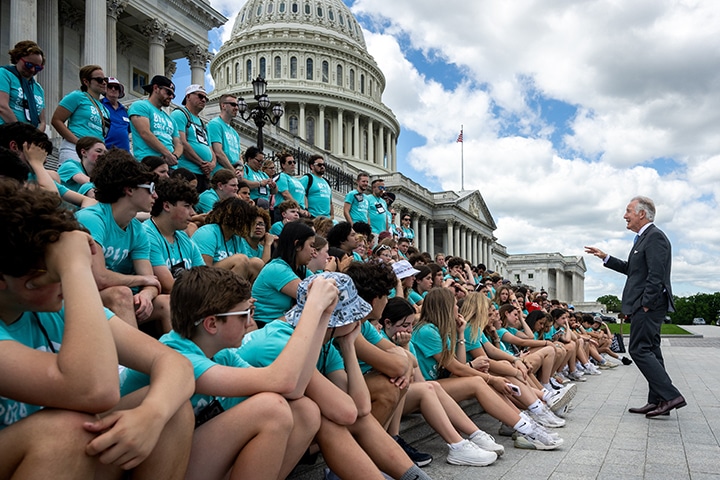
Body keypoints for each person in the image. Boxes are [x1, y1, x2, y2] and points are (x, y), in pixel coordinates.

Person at [0, 179, 194, 479]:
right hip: (32, 451)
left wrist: (152, 414)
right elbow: (98, 391)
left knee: (171, 409)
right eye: (52, 270)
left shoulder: (50, 307)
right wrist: (76, 267)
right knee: (66, 432)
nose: (65, 283)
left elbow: (175, 363)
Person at [121, 266, 335, 480]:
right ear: (212, 323)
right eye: (244, 314)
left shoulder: (221, 354)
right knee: (272, 410)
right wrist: (311, 308)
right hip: (157, 465)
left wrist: (324, 315)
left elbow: (294, 388)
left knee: (305, 411)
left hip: (186, 456)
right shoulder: (180, 357)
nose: (250, 322)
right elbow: (282, 380)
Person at [585, 196, 685, 417]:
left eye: (628, 211)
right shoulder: (643, 239)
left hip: (648, 305)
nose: (624, 216)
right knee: (651, 350)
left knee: (638, 350)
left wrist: (646, 304)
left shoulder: (655, 237)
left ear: (642, 213)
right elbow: (634, 269)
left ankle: (671, 396)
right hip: (645, 304)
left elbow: (656, 276)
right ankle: (657, 401)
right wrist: (606, 257)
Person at [76, 148, 169, 330]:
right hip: (82, 298)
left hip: (114, 300)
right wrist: (141, 282)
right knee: (121, 294)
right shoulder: (92, 219)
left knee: (167, 302)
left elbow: (152, 281)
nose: (155, 195)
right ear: (129, 190)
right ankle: (139, 357)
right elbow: (99, 278)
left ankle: (186, 356)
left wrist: (147, 295)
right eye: (150, 189)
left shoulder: (138, 229)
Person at [144, 177, 204, 296]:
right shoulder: (147, 234)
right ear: (166, 206)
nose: (192, 213)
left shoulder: (183, 236)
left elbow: (205, 277)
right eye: (187, 206)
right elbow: (169, 286)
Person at [251, 221, 315, 327]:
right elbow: (313, 297)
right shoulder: (277, 269)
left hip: (279, 326)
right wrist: (328, 271)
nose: (314, 251)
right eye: (311, 245)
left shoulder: (300, 269)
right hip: (264, 327)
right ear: (297, 245)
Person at [191, 196, 264, 281]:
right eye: (246, 220)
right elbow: (203, 272)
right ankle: (235, 294)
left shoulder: (237, 238)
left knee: (257, 263)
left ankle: (247, 293)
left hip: (224, 281)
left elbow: (247, 265)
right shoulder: (207, 233)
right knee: (240, 260)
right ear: (236, 219)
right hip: (204, 281)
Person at [51, 64, 110, 164]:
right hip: (74, 148)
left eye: (105, 80)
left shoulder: (105, 109)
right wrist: (77, 142)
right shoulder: (77, 96)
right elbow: (56, 120)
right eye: (99, 80)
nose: (104, 83)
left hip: (94, 153)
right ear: (86, 81)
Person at [128, 75, 181, 168]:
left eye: (173, 94)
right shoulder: (140, 106)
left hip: (170, 166)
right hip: (148, 164)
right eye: (168, 92)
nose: (171, 97)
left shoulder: (171, 119)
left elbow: (179, 144)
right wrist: (168, 154)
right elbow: (145, 133)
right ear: (155, 88)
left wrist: (174, 156)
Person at [172, 85, 215, 192]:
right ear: (188, 97)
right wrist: (202, 163)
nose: (204, 100)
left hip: (203, 174)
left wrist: (212, 164)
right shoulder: (180, 114)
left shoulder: (203, 124)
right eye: (200, 96)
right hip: (188, 172)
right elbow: (181, 142)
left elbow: (210, 148)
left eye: (206, 98)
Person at [0, 40, 46, 131]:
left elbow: (42, 121)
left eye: (38, 68)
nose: (32, 70)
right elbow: (2, 107)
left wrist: (35, 137)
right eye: (28, 65)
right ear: (17, 58)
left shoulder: (38, 88)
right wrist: (22, 133)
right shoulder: (4, 74)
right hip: (6, 132)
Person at [207, 93, 241, 170]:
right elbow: (218, 152)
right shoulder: (215, 124)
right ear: (223, 106)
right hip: (221, 173)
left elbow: (239, 157)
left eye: (237, 105)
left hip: (233, 176)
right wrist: (233, 171)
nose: (236, 108)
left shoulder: (235, 133)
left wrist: (240, 170)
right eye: (233, 104)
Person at [273, 152, 308, 219]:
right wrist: (298, 208)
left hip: (298, 212)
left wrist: (305, 210)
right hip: (285, 210)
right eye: (289, 162)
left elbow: (304, 196)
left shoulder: (296, 179)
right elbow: (285, 194)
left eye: (294, 162)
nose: (292, 164)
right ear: (283, 165)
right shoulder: (282, 176)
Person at [102, 77, 130, 151]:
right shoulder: (99, 105)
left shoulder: (125, 111)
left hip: (124, 153)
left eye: (116, 87)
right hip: (105, 151)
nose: (113, 89)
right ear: (105, 89)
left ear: (119, 91)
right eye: (110, 86)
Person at [300, 154, 332, 218]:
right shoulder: (307, 178)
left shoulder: (327, 182)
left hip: (326, 219)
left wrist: (332, 216)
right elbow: (299, 195)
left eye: (324, 165)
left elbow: (330, 202)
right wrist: (304, 210)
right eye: (319, 165)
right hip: (312, 216)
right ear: (312, 166)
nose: (322, 167)